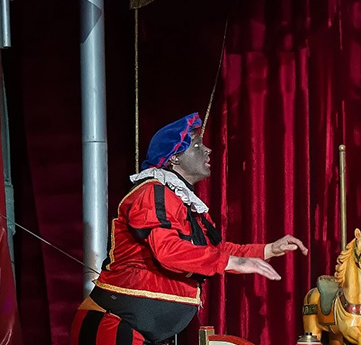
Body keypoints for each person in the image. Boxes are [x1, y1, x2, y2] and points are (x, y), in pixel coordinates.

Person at [71, 113, 308, 345]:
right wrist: (232, 263)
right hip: (112, 326)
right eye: (196, 145)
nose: (207, 150)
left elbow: (215, 250)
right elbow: (168, 251)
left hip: (143, 333)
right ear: (174, 158)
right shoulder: (151, 192)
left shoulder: (186, 203)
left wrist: (267, 250)